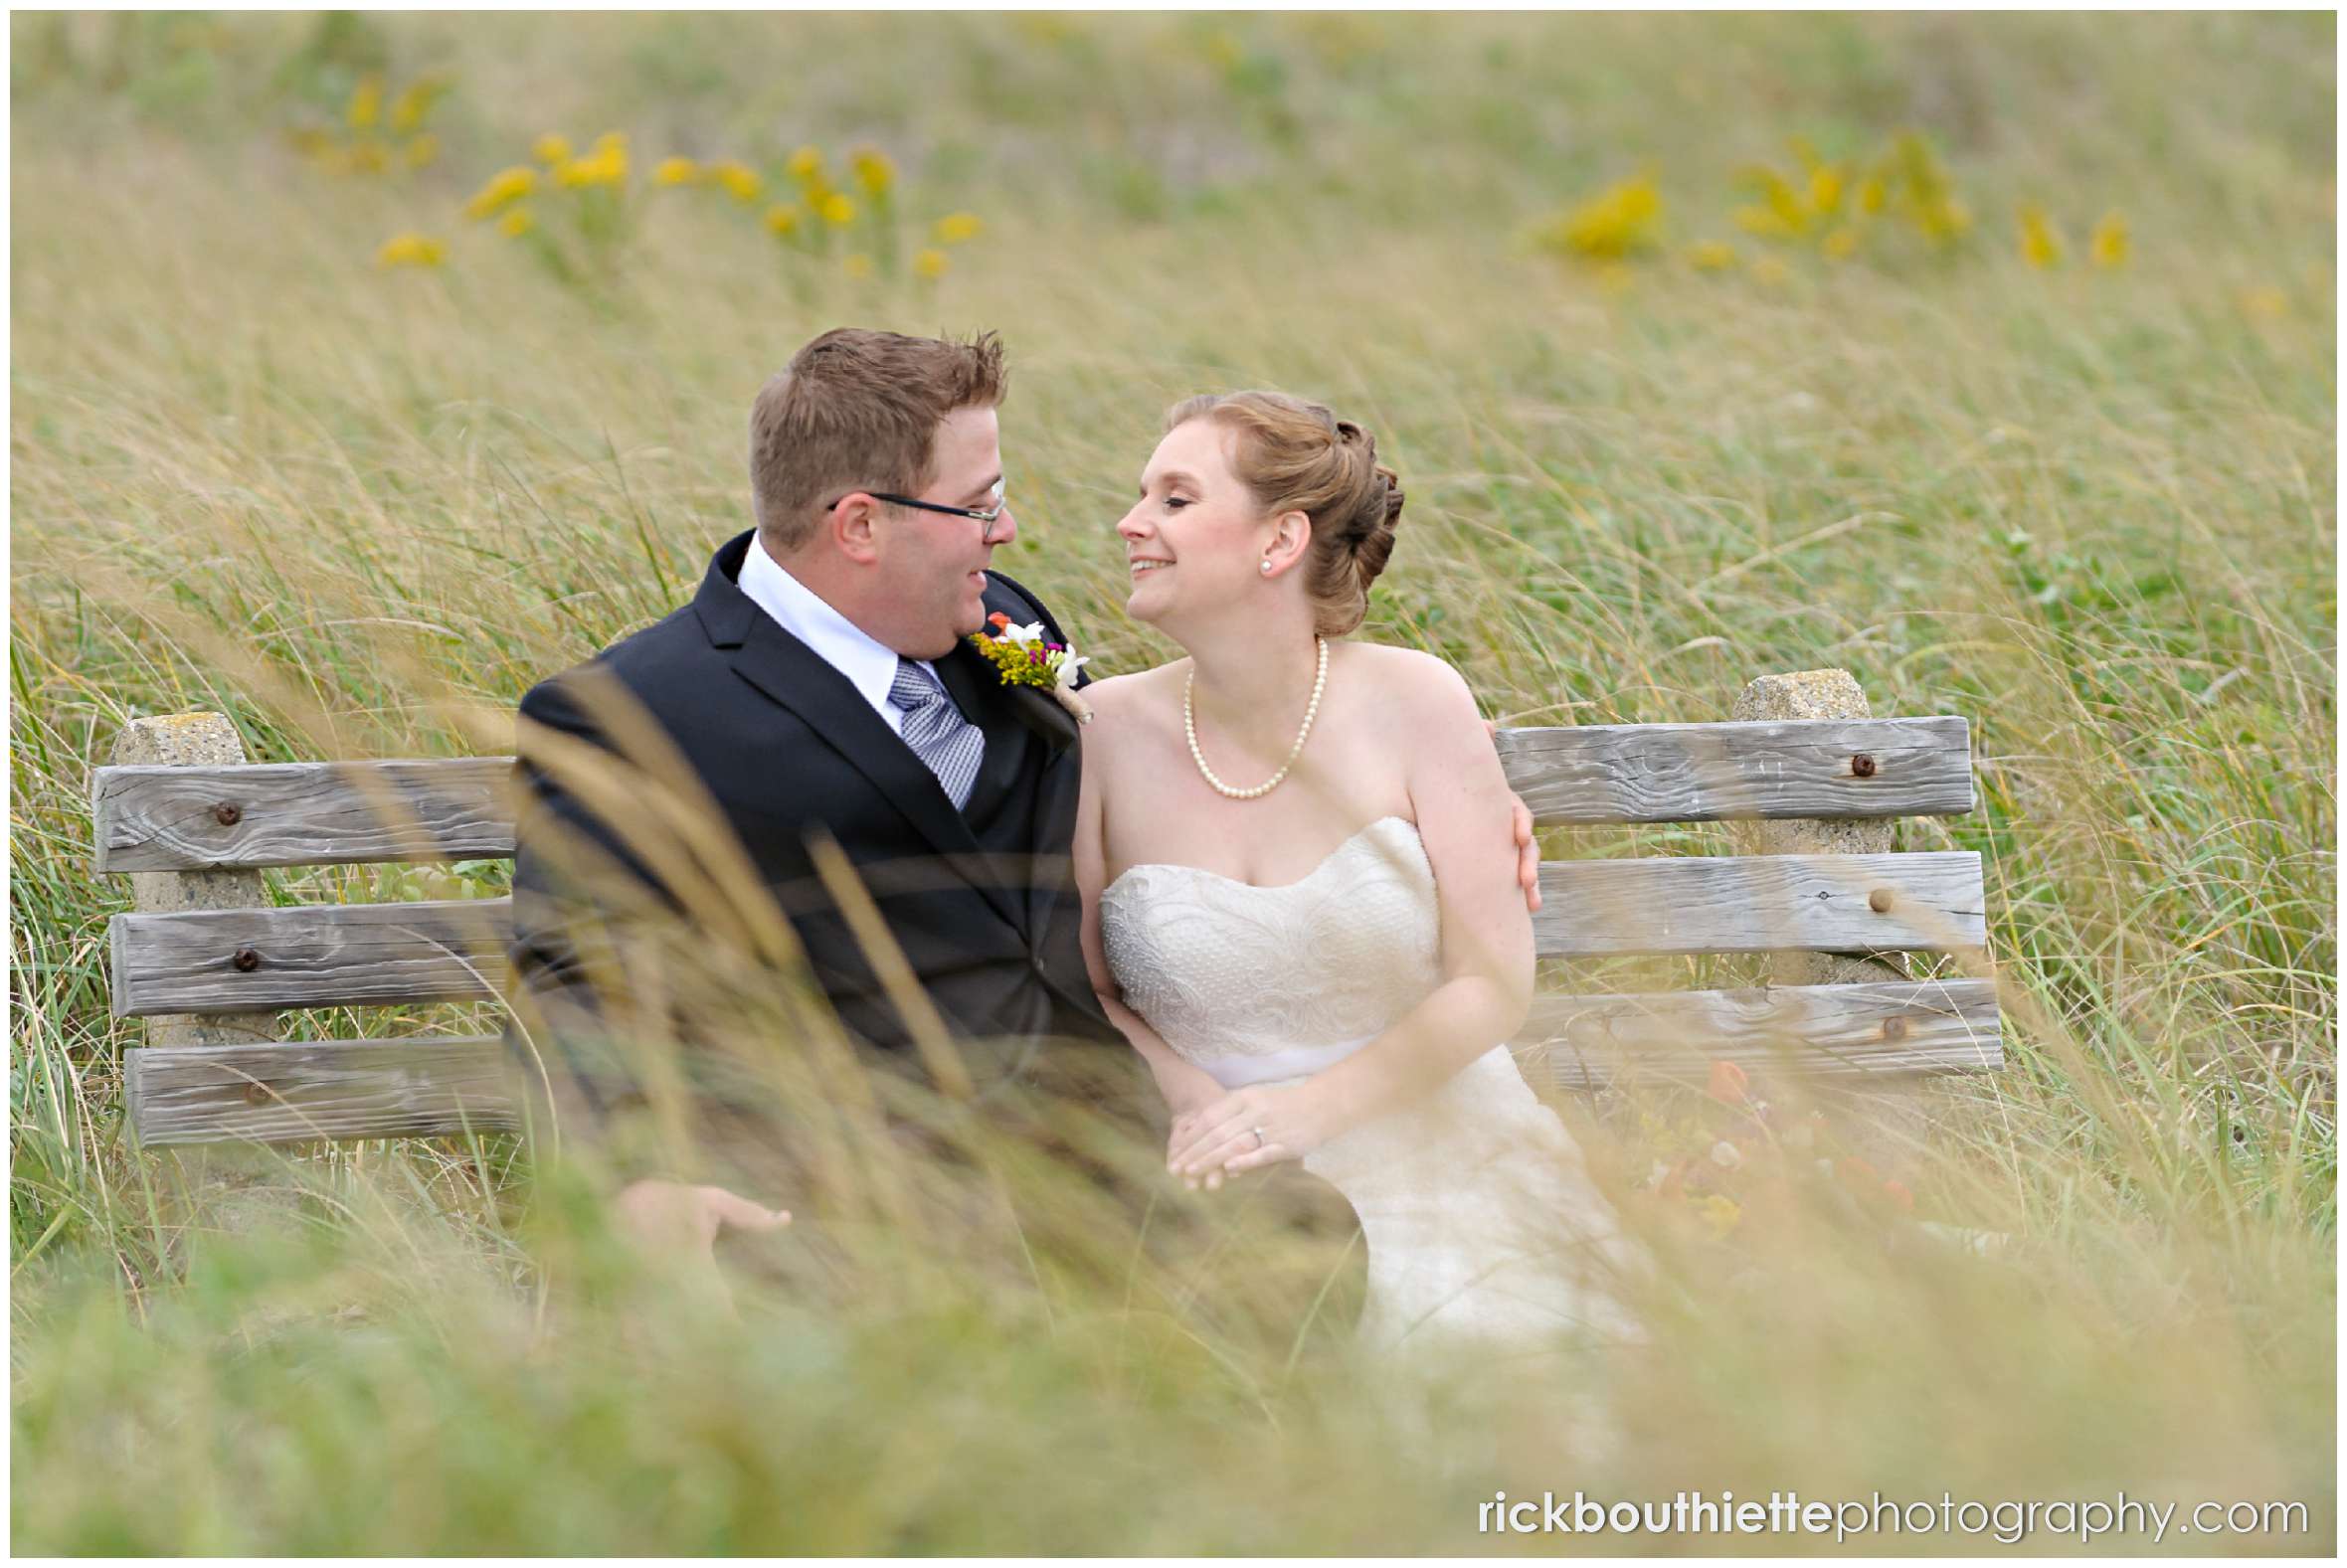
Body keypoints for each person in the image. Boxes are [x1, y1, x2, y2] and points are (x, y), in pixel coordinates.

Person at [507, 329, 1546, 1298]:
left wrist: (1416, 817)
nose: (1005, 529)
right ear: (861, 523)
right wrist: (631, 1183)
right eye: (978, 501)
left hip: (1097, 1159)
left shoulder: (999, 625)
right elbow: (572, 981)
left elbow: (1174, 764)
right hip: (853, 1195)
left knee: (1306, 1253)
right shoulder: (632, 712)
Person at [1074, 391, 1647, 1358]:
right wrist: (1200, 1110)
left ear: (1277, 540)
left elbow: (1492, 980)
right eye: (1140, 496)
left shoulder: (1417, 700)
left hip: (1443, 1153)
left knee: (1468, 1346)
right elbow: (1092, 988)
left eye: (1173, 500)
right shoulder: (1098, 730)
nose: (1131, 523)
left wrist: (1304, 1111)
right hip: (1220, 1177)